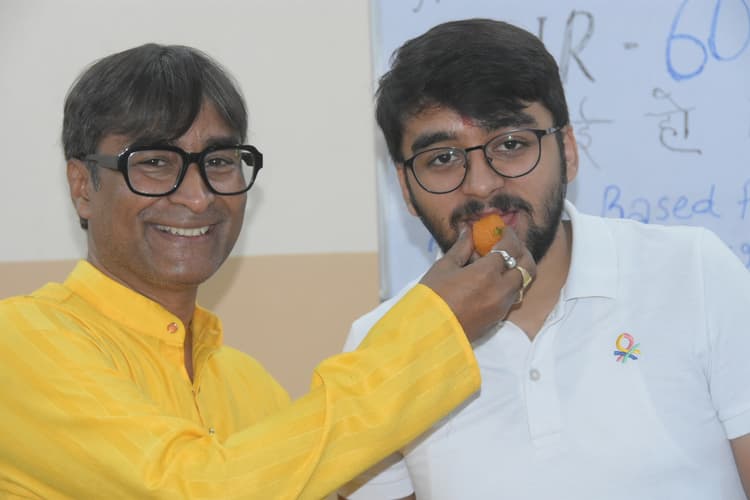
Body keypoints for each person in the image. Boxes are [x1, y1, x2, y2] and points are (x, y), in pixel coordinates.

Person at [0, 43, 536, 499]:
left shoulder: (249, 385)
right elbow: (199, 489)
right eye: (155, 163)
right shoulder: (19, 343)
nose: (197, 196)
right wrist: (433, 330)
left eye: (219, 162)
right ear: (82, 186)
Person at [339, 18, 750, 500]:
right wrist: (430, 337)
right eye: (443, 158)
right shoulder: (380, 345)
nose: (481, 185)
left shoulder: (695, 273)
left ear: (568, 151)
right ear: (407, 190)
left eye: (511, 144)